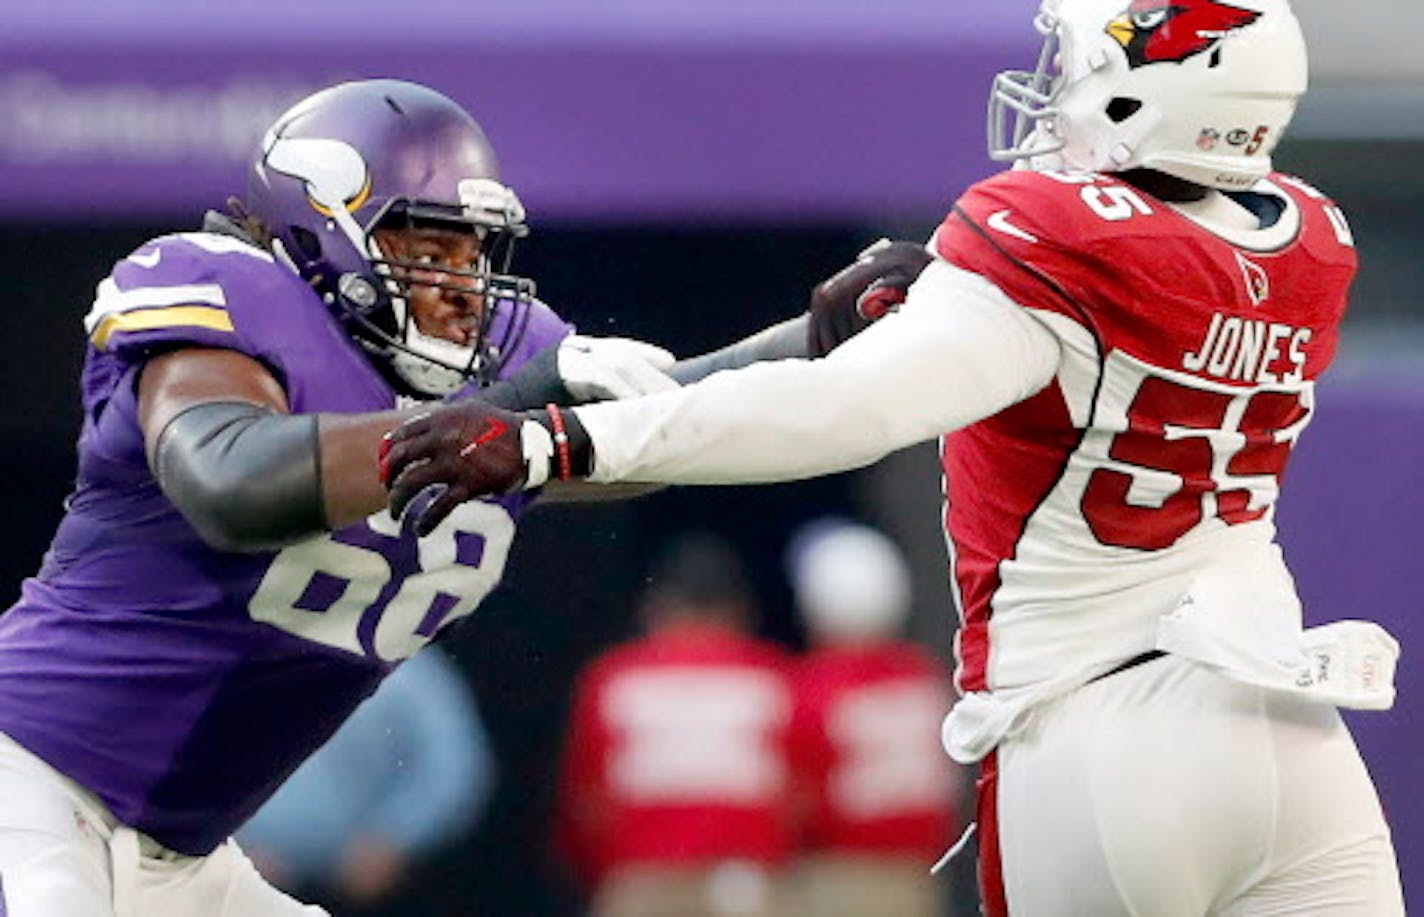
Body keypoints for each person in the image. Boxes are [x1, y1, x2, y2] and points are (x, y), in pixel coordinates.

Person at [382, 2, 1407, 913]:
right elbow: (1124, 335)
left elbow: (841, 408)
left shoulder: (1045, 230)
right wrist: (954, 298)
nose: (1057, 92)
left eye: (1080, 66)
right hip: (1285, 723)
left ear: (1153, 94)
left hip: (1100, 729)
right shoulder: (1309, 234)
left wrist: (558, 437)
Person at [0, 77, 895, 917]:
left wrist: (816, 340)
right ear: (323, 236)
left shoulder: (499, 367)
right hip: (33, 783)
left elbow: (648, 436)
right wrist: (499, 415)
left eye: (473, 254)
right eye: (429, 251)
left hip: (183, 858)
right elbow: (231, 480)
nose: (463, 290)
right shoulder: (228, 299)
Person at [555, 533, 796, 917]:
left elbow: (586, 801)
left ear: (658, 605)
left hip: (643, 880)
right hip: (744, 884)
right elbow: (800, 795)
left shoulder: (616, 677)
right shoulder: (771, 676)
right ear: (739, 610)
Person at [784, 520, 965, 917]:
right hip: (919, 876)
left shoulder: (816, 685)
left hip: (838, 878)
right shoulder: (924, 677)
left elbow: (795, 799)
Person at [237, 647, 494, 913]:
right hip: (242, 879)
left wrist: (395, 836)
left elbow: (453, 768)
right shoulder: (240, 651)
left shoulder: (410, 668)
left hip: (367, 883)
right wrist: (227, 849)